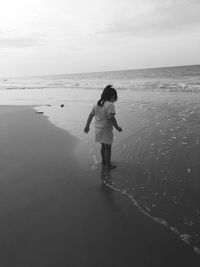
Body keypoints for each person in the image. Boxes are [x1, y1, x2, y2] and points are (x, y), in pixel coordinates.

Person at [84, 85, 122, 170]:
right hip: (106, 130)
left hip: (97, 129)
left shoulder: (97, 104)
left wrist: (87, 126)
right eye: (114, 97)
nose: (115, 99)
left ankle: (104, 161)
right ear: (112, 96)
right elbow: (112, 118)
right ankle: (108, 166)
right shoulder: (110, 105)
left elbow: (91, 115)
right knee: (108, 148)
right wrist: (117, 127)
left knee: (103, 146)